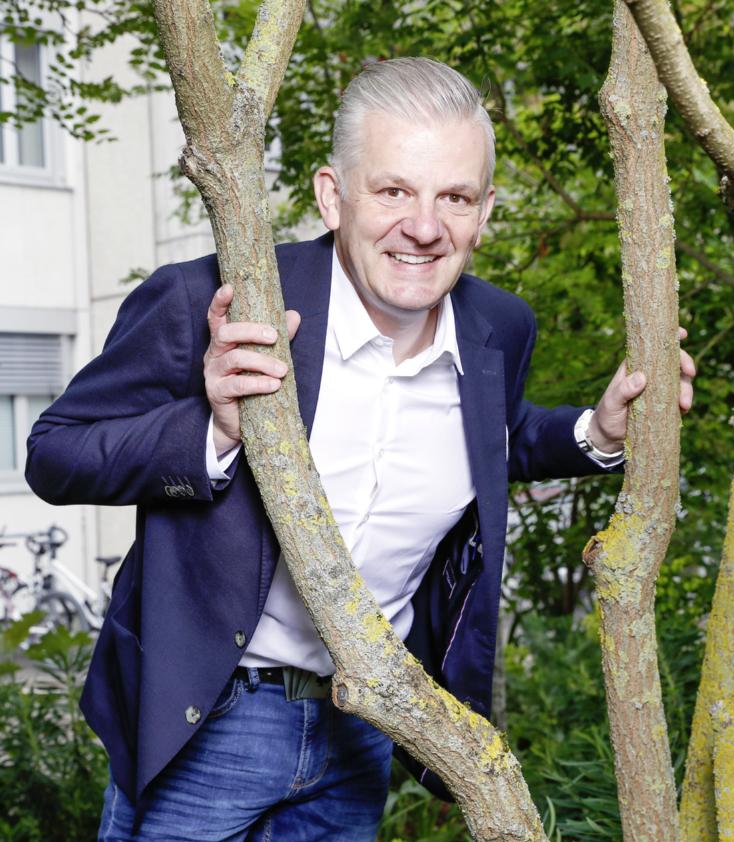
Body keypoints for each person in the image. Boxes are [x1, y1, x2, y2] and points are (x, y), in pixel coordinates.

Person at [26, 58, 694, 841]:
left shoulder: (501, 327)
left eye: (454, 197)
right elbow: (56, 453)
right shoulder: (218, 301)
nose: (425, 226)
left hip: (367, 717)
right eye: (393, 191)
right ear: (331, 195)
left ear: (484, 213)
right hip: (204, 717)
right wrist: (211, 429)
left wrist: (596, 433)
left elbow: (491, 442)